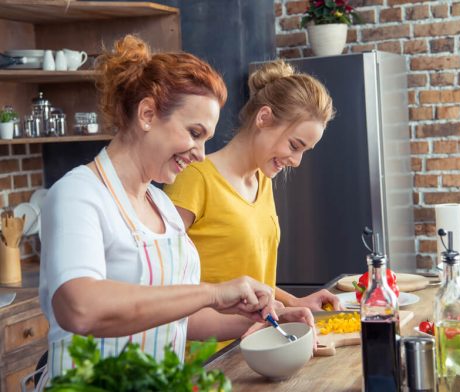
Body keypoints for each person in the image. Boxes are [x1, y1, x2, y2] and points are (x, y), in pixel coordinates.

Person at [38, 36, 313, 387]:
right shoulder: (78, 195)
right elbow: (80, 308)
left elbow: (183, 320)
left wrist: (267, 319)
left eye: (206, 139)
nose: (200, 153)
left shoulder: (163, 207)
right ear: (148, 114)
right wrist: (213, 292)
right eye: (194, 133)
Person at [164, 60, 340, 313]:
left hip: (259, 341)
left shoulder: (263, 181)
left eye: (304, 151)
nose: (297, 162)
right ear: (264, 118)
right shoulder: (194, 178)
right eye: (294, 145)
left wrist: (294, 302)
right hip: (211, 348)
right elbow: (163, 280)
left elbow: (247, 279)